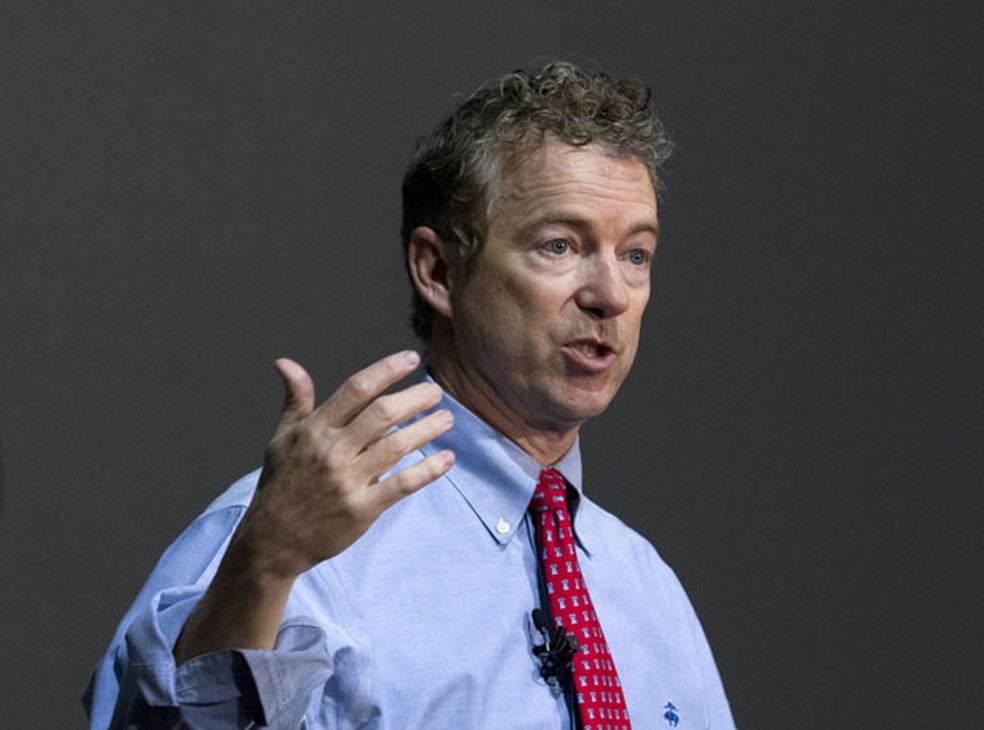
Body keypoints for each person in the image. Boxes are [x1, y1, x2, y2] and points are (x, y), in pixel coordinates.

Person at [84, 60, 735, 729]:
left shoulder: (648, 588)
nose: (610, 296)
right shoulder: (291, 546)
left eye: (636, 254)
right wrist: (264, 568)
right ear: (438, 270)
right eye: (560, 245)